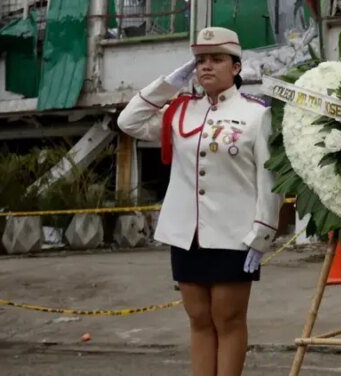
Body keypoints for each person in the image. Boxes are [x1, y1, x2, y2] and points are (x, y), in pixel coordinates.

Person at [117, 26, 281, 376]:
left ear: (236, 67)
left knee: (229, 319)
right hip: (186, 233)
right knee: (199, 320)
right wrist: (167, 84)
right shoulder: (179, 112)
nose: (206, 66)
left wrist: (263, 233)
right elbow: (128, 121)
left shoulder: (257, 114)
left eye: (217, 59)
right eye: (200, 61)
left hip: (234, 234)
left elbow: (269, 178)